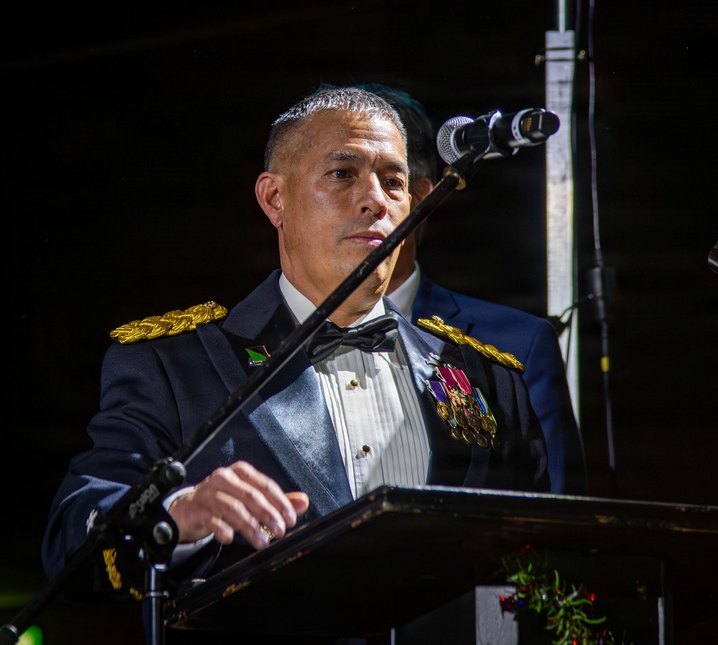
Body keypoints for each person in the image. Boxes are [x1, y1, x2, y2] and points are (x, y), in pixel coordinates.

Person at [40, 86, 550, 617]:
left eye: (394, 182)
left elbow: (541, 566)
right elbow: (72, 537)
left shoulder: (487, 377)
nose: (376, 199)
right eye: (342, 173)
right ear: (274, 199)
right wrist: (175, 514)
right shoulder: (175, 367)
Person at [350, 82, 588, 496]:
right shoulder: (268, 339)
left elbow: (557, 512)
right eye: (339, 175)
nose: (362, 201)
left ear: (421, 198)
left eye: (387, 180)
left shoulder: (518, 344)